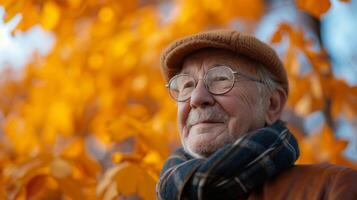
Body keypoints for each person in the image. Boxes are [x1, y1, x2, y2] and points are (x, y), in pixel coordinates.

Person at [156, 30, 357, 200]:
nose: (196, 98)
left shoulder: (333, 189)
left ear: (272, 104)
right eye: (187, 85)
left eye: (220, 78)